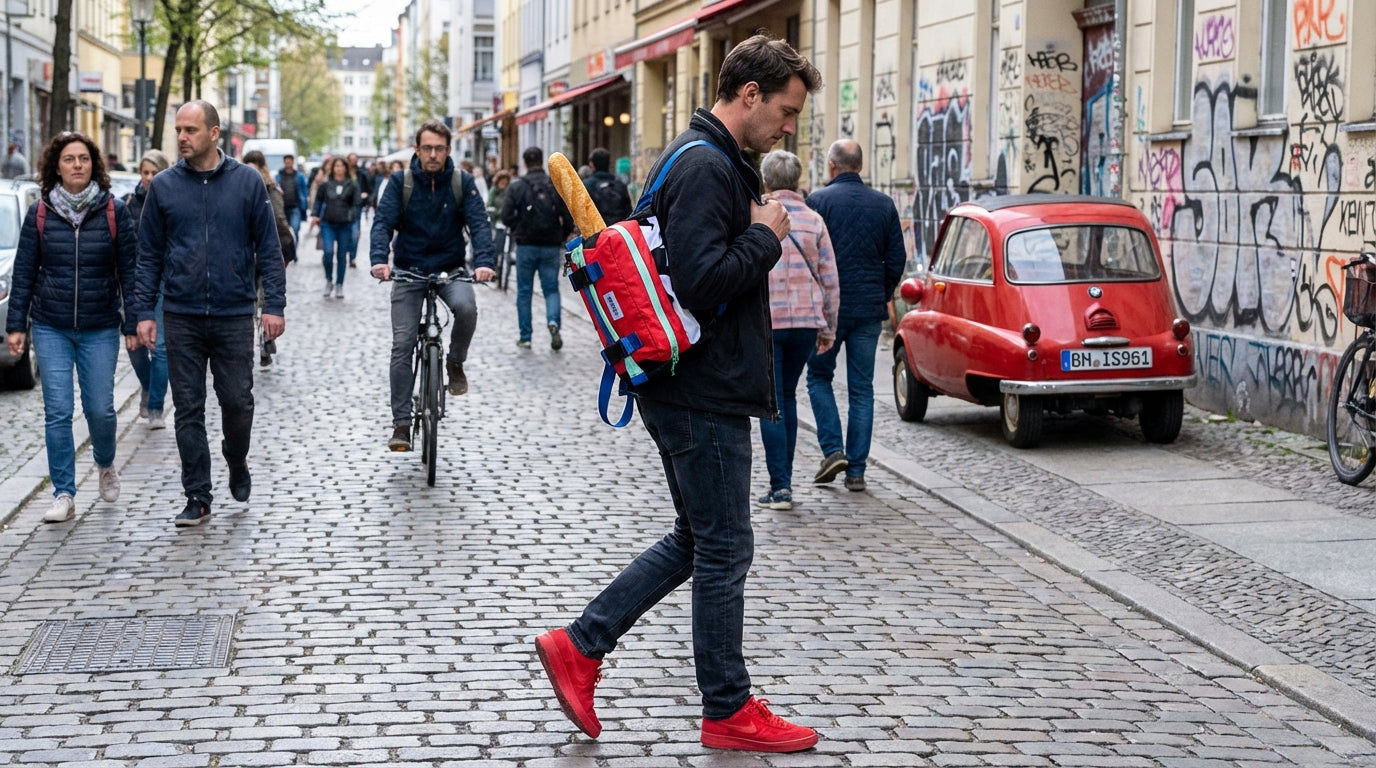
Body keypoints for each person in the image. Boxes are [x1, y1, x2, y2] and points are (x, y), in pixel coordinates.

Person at [532, 34, 823, 752]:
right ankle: (727, 708)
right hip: (703, 390)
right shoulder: (707, 169)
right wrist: (766, 237)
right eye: (784, 111)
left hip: (689, 385)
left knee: (698, 540)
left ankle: (581, 644)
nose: (788, 127)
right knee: (725, 549)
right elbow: (702, 280)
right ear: (749, 94)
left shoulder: (712, 161)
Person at [133, 100, 287, 528]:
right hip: (180, 314)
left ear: (214, 133)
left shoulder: (247, 183)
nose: (182, 137)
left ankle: (236, 460)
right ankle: (198, 494)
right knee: (188, 408)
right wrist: (144, 311)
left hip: (233, 311)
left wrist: (273, 305)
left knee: (237, 402)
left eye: (191, 130)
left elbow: (269, 249)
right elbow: (147, 256)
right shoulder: (162, 186)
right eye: (178, 130)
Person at [4, 131, 138, 523]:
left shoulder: (113, 211)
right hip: (51, 326)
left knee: (100, 410)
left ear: (94, 164)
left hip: (99, 325)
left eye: (83, 158)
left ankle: (105, 462)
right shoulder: (41, 213)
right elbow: (24, 272)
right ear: (56, 167)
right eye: (69, 159)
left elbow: (129, 272)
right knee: (58, 412)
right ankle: (64, 492)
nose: (77, 165)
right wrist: (17, 326)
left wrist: (133, 320)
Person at [369, 119, 495, 452]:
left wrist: (484, 262)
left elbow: (480, 224)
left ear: (448, 150)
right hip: (409, 270)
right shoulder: (401, 182)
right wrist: (379, 260)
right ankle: (401, 423)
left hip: (450, 268)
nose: (433, 155)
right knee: (402, 344)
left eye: (439, 148)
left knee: (467, 308)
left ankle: (454, 362)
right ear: (417, 149)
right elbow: (383, 223)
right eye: (427, 148)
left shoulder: (461, 181)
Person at [804, 139, 907, 493]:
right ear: (860, 167)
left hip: (827, 311)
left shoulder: (818, 202)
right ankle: (857, 471)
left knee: (818, 377)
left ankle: (833, 450)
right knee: (862, 390)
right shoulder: (884, 205)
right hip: (867, 310)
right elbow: (896, 260)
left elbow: (808, 255)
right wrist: (882, 292)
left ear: (832, 166)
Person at [755, 149, 839, 511]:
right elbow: (830, 279)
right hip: (806, 322)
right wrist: (828, 327)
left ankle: (781, 486)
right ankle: (783, 483)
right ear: (798, 180)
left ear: (767, 180)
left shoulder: (757, 216)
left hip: (767, 322)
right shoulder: (814, 220)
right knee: (786, 397)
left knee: (771, 402)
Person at [500, 146, 574, 350]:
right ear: (542, 161)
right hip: (550, 244)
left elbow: (505, 215)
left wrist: (519, 227)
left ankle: (526, 336)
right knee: (551, 289)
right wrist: (562, 234)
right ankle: (553, 323)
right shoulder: (553, 184)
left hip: (525, 245)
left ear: (524, 163)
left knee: (524, 291)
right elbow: (567, 215)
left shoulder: (517, 186)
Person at [123, 149, 172, 430]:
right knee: (134, 345)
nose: (149, 178)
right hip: (133, 280)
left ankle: (155, 407)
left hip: (164, 280)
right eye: (145, 172)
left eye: (154, 172)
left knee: (160, 346)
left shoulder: (171, 200)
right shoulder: (128, 203)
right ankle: (148, 386)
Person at [311, 157, 360, 298]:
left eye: (341, 166)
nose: (339, 168)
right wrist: (315, 214)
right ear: (332, 168)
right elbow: (319, 200)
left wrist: (352, 217)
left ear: (345, 168)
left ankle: (339, 284)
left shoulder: (352, 184)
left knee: (341, 255)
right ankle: (328, 280)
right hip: (328, 222)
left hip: (345, 224)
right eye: (336, 166)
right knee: (327, 252)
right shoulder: (326, 184)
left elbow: (357, 203)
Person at [583, 147, 631, 224]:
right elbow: (628, 212)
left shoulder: (587, 185)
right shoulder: (620, 184)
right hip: (618, 230)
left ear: (591, 164)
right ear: (609, 163)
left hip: (597, 231)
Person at [276, 154, 308, 241]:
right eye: (286, 161)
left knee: (295, 230)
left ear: (293, 162)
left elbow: (304, 191)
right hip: (282, 208)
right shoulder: (278, 176)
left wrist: (304, 206)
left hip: (295, 207)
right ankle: (287, 252)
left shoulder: (299, 176)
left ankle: (294, 251)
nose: (288, 163)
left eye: (289, 161)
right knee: (283, 231)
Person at [345, 152, 370, 264]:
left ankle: (352, 257)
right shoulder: (342, 174)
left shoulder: (361, 174)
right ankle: (343, 253)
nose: (353, 162)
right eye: (351, 159)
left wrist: (364, 196)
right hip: (343, 207)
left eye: (355, 159)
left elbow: (367, 190)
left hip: (356, 207)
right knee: (345, 233)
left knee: (355, 234)